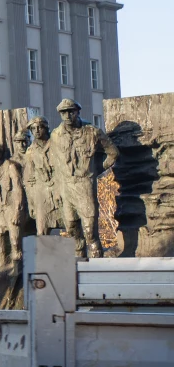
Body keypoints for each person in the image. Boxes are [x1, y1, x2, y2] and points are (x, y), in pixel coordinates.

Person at [49, 98, 119, 258]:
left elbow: (113, 152)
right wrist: (57, 190)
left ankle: (97, 271)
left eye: (70, 111)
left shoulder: (92, 131)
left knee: (90, 232)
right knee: (72, 229)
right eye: (63, 112)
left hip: (85, 187)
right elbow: (56, 165)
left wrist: (95, 170)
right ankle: (77, 266)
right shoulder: (55, 135)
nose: (67, 116)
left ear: (77, 112)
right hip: (66, 189)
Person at [0, 142, 27, 266]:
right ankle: (3, 266)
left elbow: (18, 189)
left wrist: (18, 211)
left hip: (12, 208)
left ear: (0, 155)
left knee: (15, 241)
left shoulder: (10, 167)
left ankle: (17, 270)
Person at [22, 116, 63, 235]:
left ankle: (74, 252)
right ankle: (47, 253)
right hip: (41, 194)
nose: (37, 131)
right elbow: (29, 180)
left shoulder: (57, 144)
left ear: (46, 128)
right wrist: (31, 203)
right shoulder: (30, 151)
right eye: (33, 129)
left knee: (70, 226)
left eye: (40, 127)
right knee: (42, 230)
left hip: (59, 190)